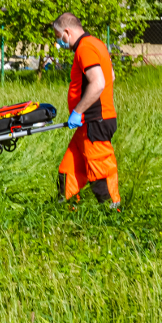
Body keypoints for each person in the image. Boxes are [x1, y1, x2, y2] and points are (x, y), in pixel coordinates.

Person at [52, 12, 120, 210]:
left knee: (99, 171)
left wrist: (78, 110)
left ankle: (113, 213)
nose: (59, 43)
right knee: (68, 168)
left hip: (94, 122)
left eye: (58, 38)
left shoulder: (85, 48)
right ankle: (67, 207)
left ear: (67, 32)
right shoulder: (96, 43)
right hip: (88, 122)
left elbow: (98, 83)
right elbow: (111, 76)